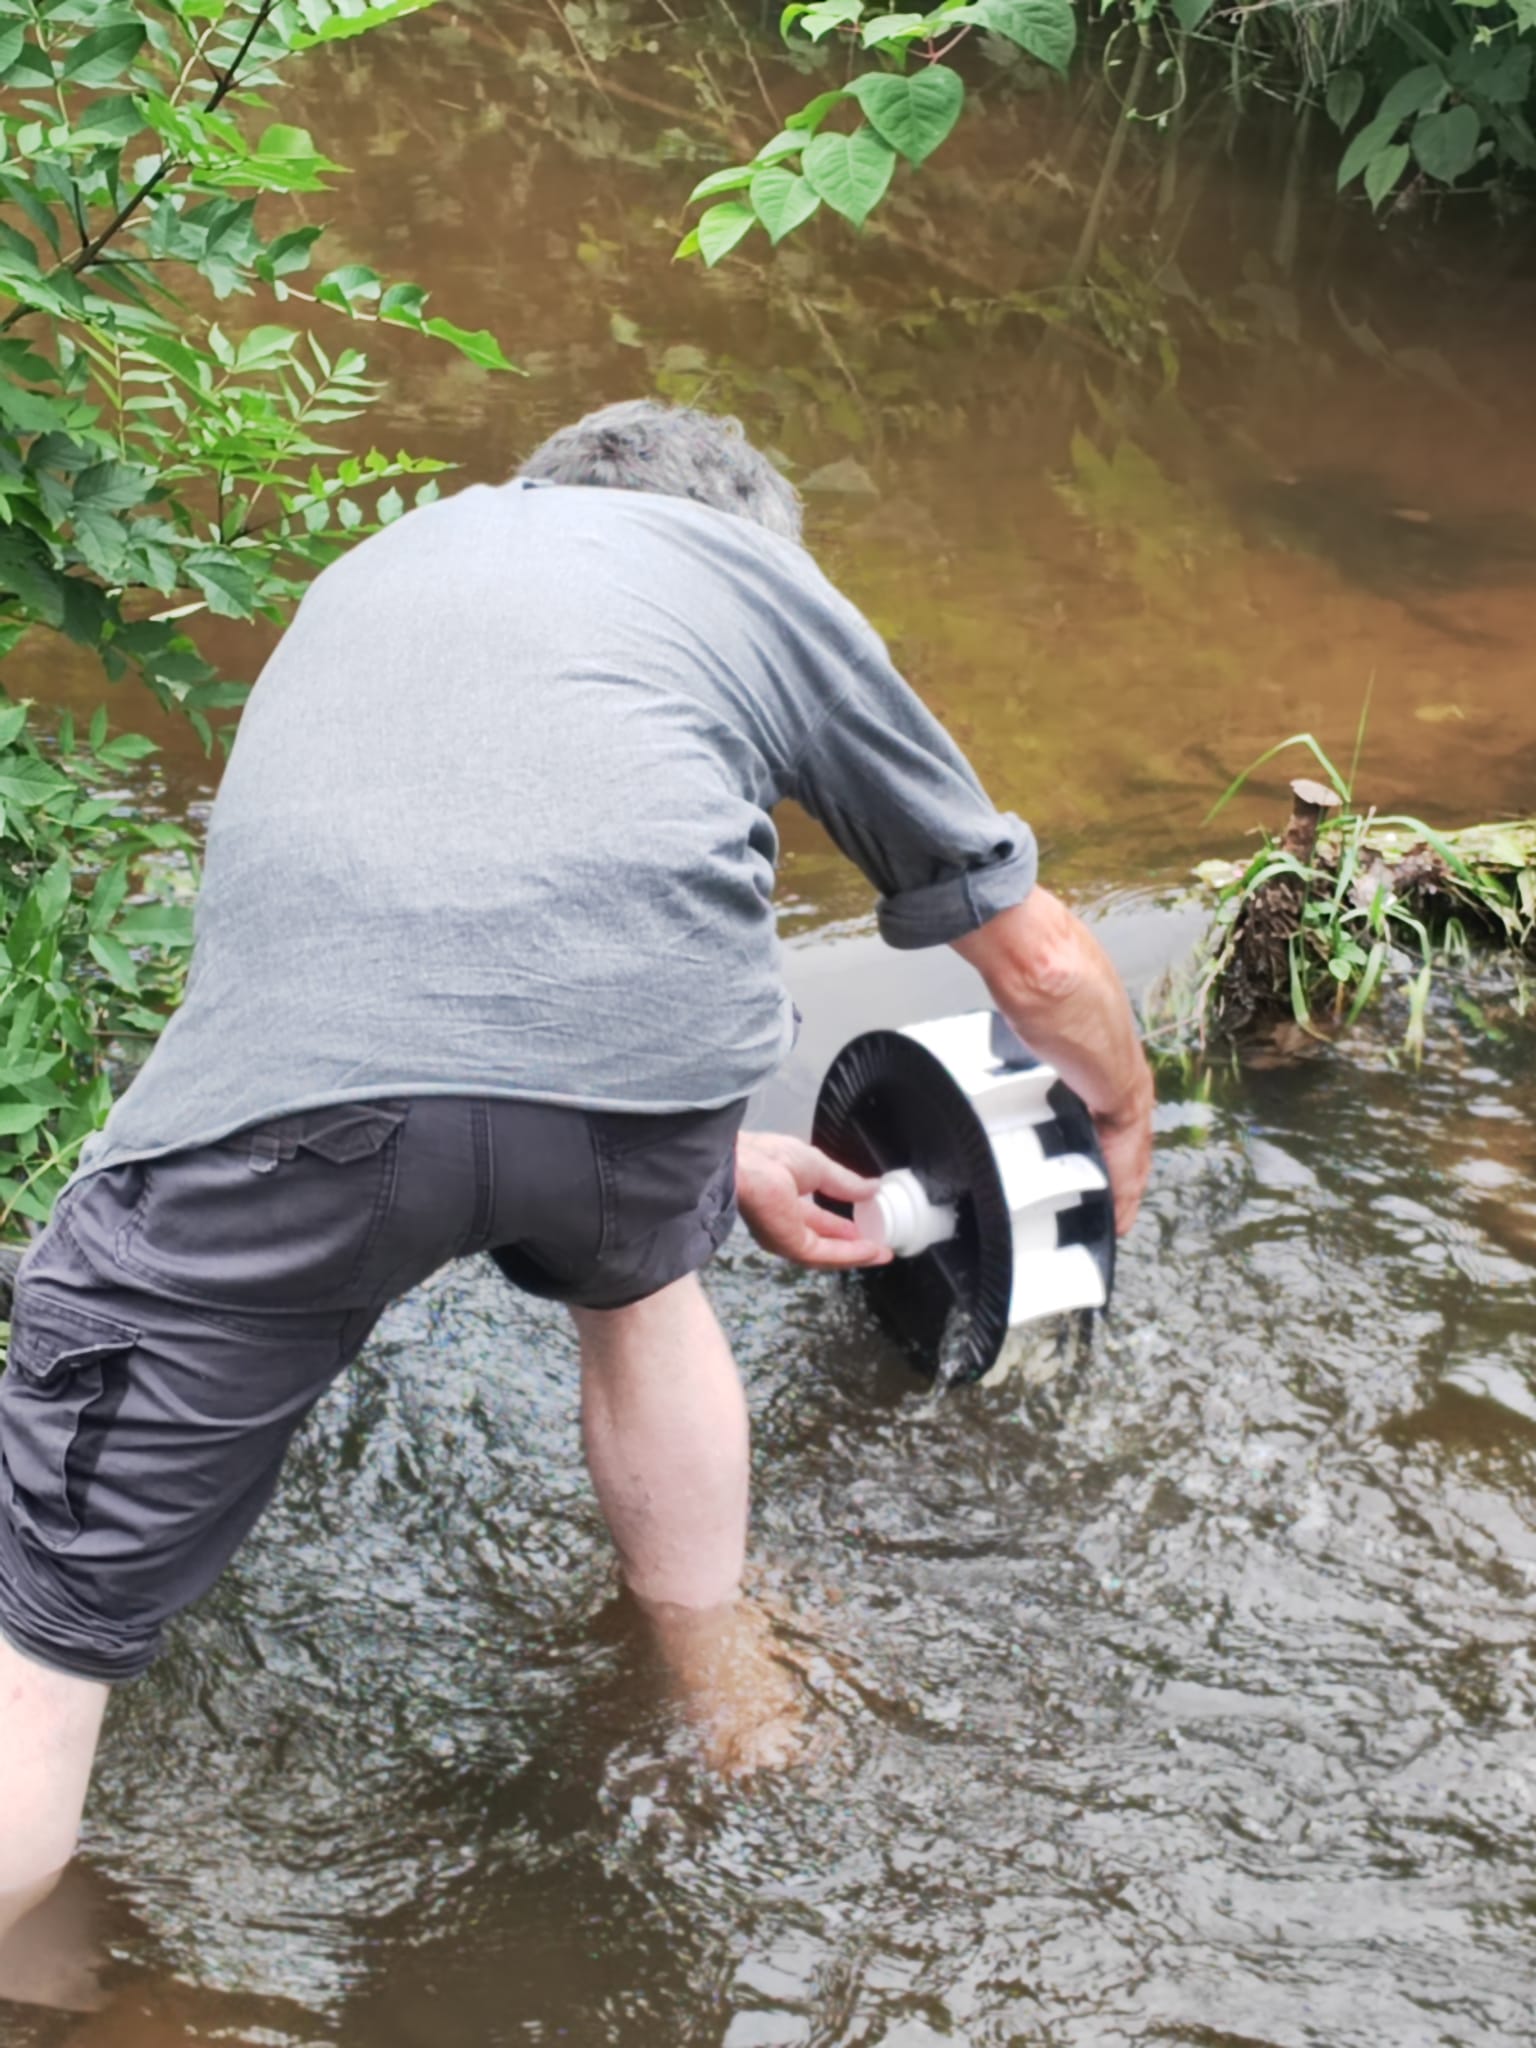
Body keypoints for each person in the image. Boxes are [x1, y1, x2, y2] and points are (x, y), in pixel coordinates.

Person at [0, 401, 1152, 1982]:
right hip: (632, 1088)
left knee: (49, 1634)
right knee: (644, 1291)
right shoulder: (755, 582)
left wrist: (710, 1159)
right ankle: (728, 1685)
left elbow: (402, 933)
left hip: (294, 1102)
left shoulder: (395, 561)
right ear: (751, 536)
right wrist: (1123, 1117)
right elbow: (1039, 963)